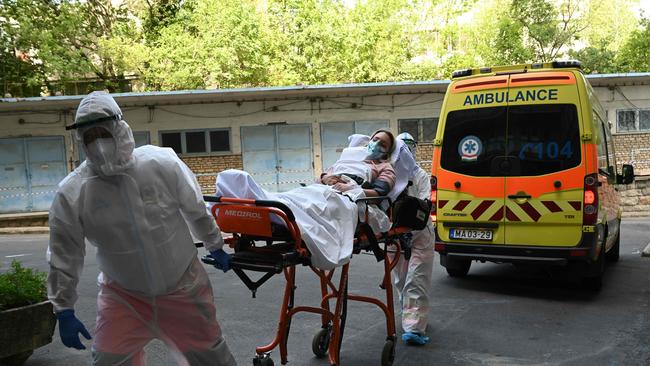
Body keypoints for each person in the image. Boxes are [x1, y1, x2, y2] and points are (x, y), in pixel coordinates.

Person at [47, 91, 237, 365]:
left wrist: (214, 243)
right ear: (80, 140)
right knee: (109, 360)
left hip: (183, 287)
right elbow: (64, 251)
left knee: (211, 359)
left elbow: (194, 207)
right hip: (124, 297)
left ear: (120, 128)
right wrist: (63, 307)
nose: (98, 143)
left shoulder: (161, 163)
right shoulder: (73, 191)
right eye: (89, 137)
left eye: (103, 132)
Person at [392, 132, 435, 346]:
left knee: (415, 280)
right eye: (403, 148)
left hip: (420, 234)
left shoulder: (420, 176)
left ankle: (414, 327)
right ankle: (409, 313)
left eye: (410, 147)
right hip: (396, 236)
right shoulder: (388, 176)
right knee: (401, 281)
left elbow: (425, 206)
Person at [320, 129, 397, 197]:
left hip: (350, 197)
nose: (376, 144)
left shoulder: (384, 166)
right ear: (369, 141)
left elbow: (379, 193)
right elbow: (320, 179)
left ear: (388, 152)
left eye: (383, 145)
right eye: (374, 140)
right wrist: (325, 178)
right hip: (326, 189)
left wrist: (352, 190)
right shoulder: (349, 156)